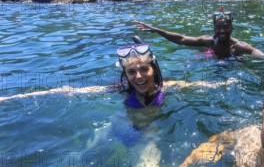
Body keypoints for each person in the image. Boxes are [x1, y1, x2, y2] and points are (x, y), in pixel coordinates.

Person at [0, 36, 236, 107]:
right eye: (132, 72)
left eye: (143, 69)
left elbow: (198, 85)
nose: (139, 77)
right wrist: (14, 97)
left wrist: (225, 84)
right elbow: (70, 90)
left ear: (153, 70)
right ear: (125, 75)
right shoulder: (120, 90)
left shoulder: (167, 88)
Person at [135, 8, 264, 60]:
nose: (222, 31)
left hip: (231, 66)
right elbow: (181, 39)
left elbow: (259, 54)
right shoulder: (208, 41)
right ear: (214, 29)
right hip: (211, 61)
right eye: (219, 27)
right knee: (194, 60)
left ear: (231, 29)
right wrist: (156, 30)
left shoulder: (240, 47)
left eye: (226, 27)